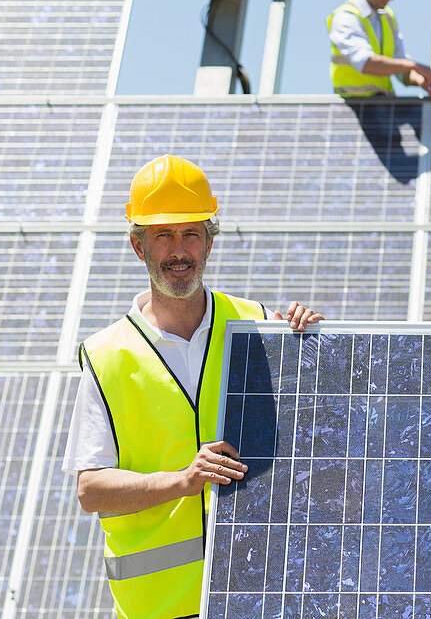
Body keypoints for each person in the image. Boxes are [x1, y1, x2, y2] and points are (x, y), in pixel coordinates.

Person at [63, 155, 324, 618]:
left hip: (259, 594)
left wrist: (315, 348)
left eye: (191, 234)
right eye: (163, 235)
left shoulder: (258, 326)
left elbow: (316, 443)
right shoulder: (107, 356)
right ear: (139, 247)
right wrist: (183, 482)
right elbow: (91, 488)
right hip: (160, 608)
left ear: (209, 243)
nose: (178, 250)